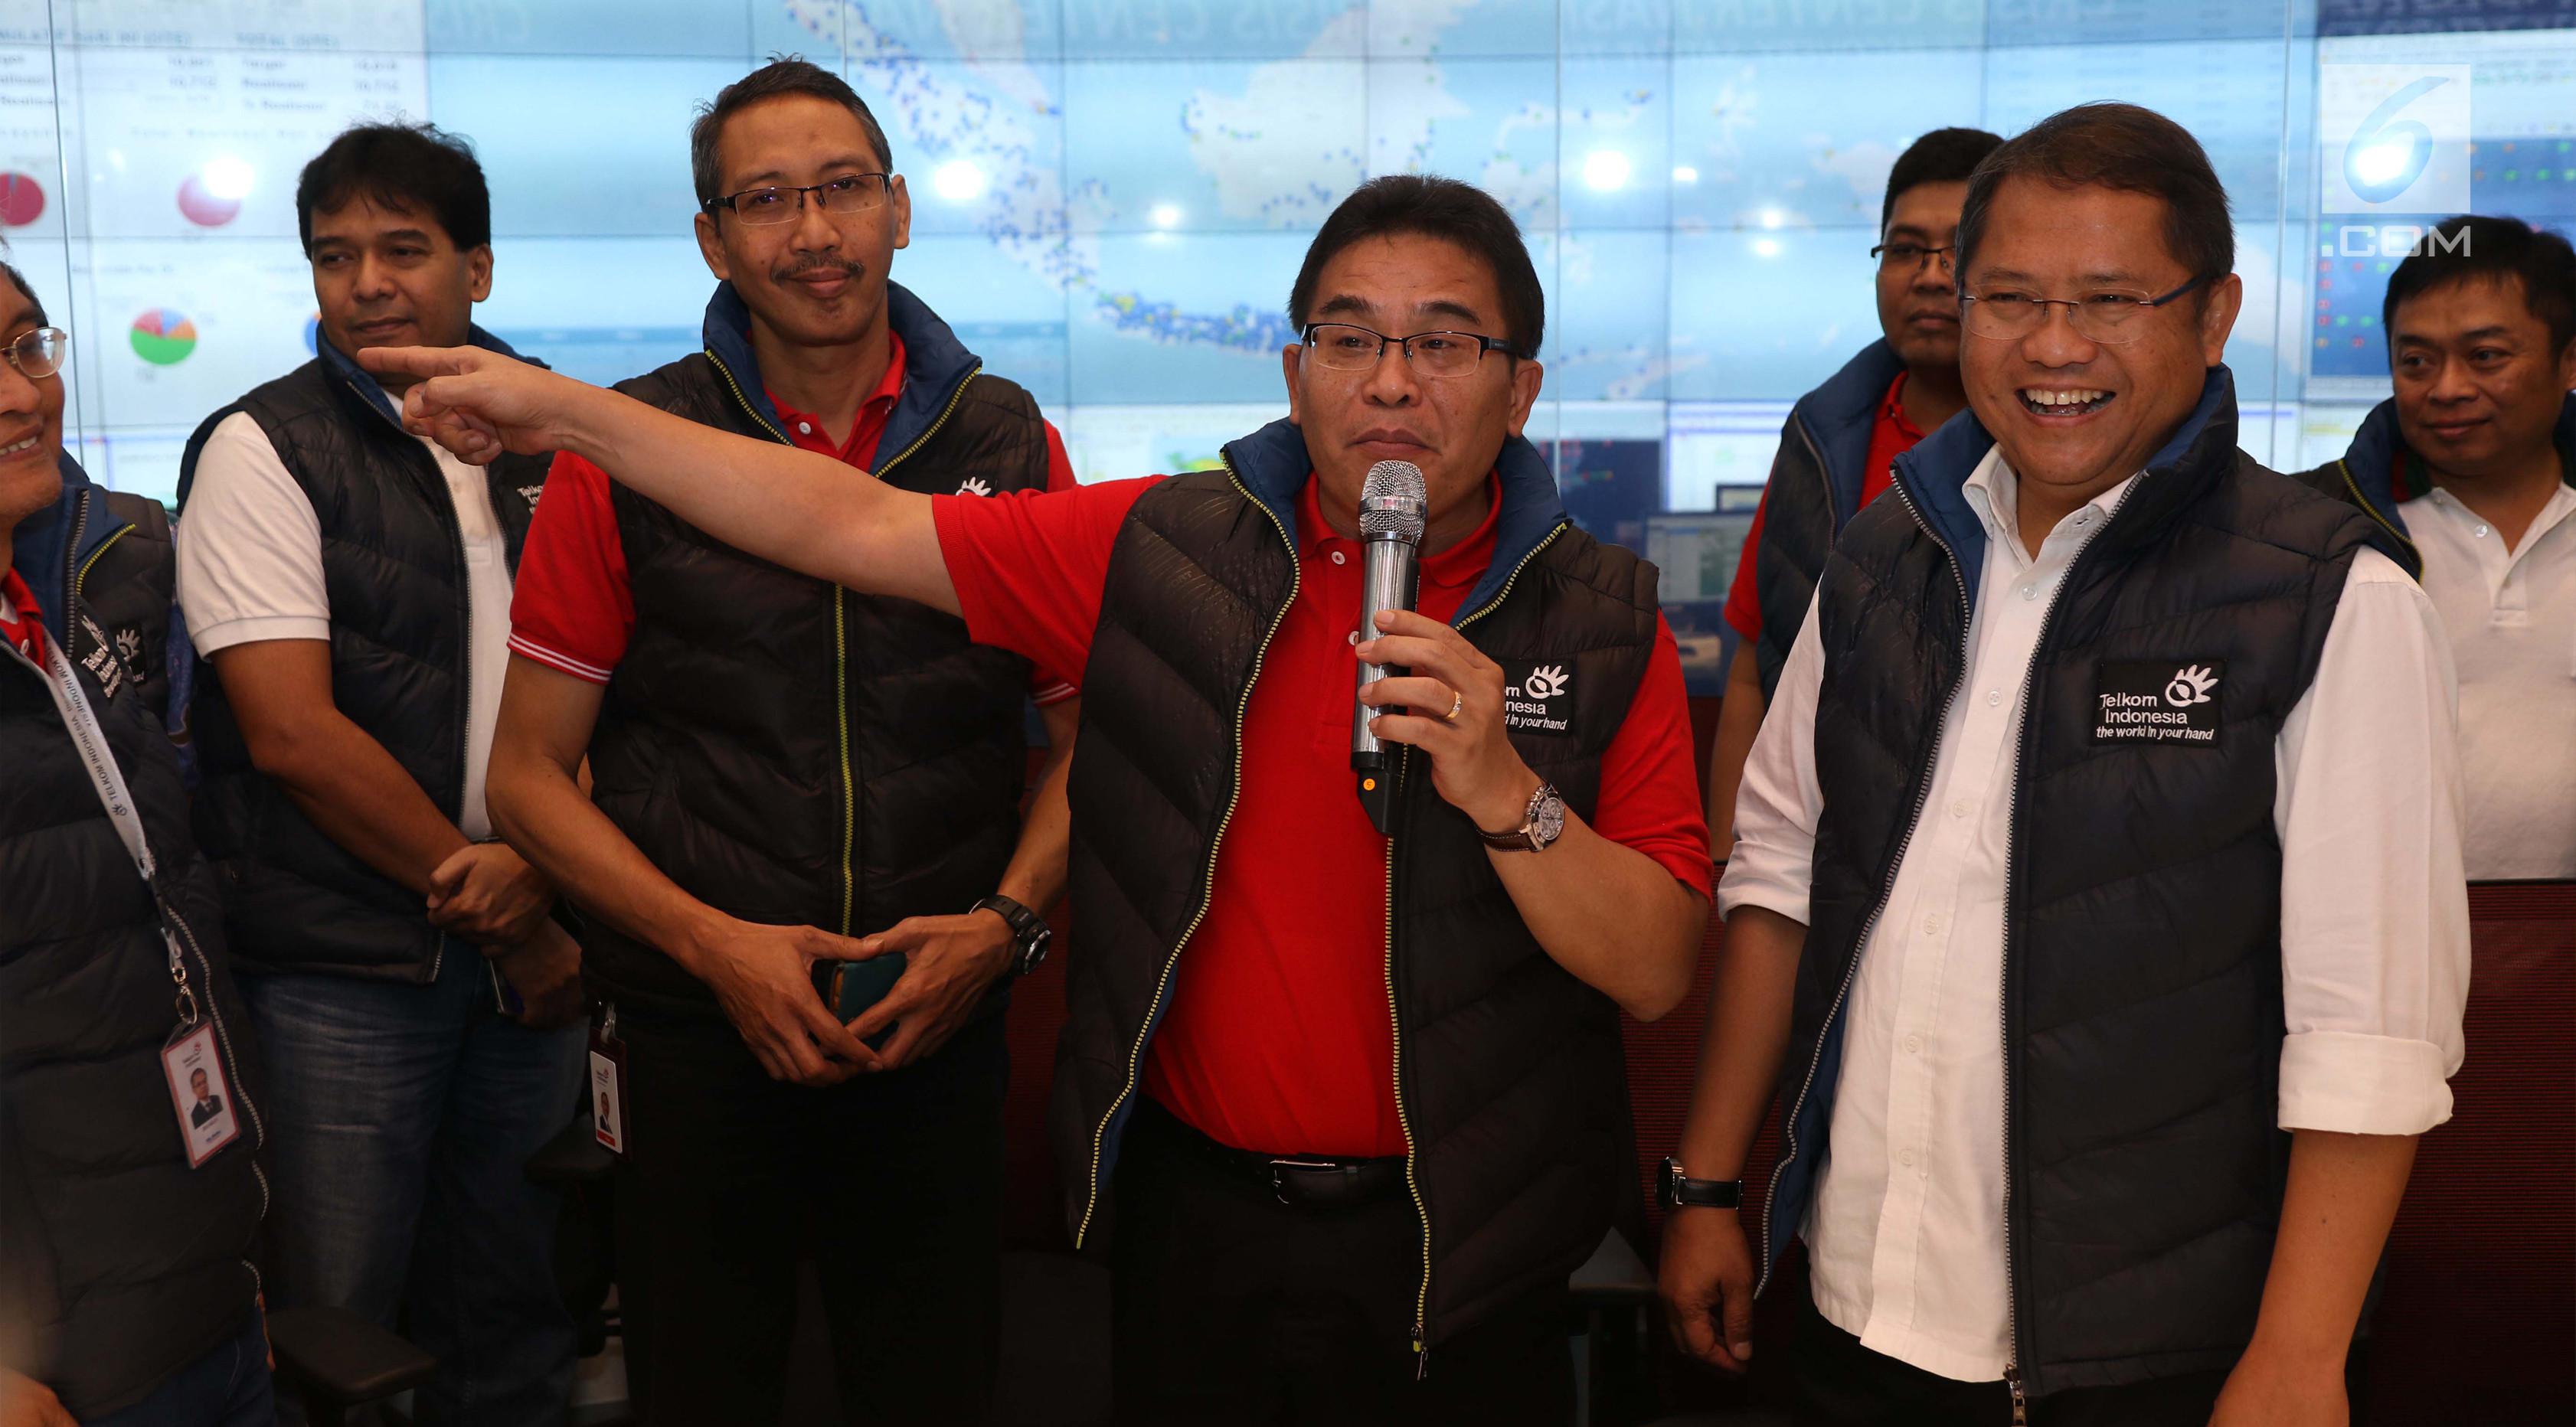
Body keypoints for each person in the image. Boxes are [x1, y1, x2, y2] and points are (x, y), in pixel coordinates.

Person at [367, 171, 1713, 1425]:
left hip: (1465, 1242)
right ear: (1295, 373)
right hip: (1197, 1222)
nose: (1392, 381)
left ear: (1520, 390)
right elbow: (847, 523)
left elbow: (1656, 968)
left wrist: (1505, 791)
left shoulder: (1602, 623)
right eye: (1349, 338)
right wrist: (569, 415)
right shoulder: (1167, 556)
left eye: (1443, 343)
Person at [1656, 103, 2470, 1425]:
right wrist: (1705, 1186)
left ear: (2213, 315)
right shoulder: (1880, 559)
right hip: (1852, 1306)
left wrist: (2296, 1356)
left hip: (2149, 1356)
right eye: (2010, 298)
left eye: (2108, 300)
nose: (2051, 346)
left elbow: (2368, 1032)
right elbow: (1780, 876)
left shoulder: (2328, 598)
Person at [489, 59, 1080, 1424]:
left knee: (933, 1386)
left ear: (899, 210)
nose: (813, 232)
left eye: (842, 189)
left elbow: (1084, 739)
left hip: (934, 1019)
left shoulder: (1005, 440)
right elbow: (523, 778)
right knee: (703, 1387)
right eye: (766, 200)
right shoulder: (625, 448)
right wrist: (713, 948)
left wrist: (1000, 928)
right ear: (712, 239)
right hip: (696, 1032)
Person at [171, 123, 583, 1425]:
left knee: (523, 1304)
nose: (367, 285)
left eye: (403, 250)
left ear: (478, 269)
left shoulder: (564, 431)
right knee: (341, 1329)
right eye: (335, 256)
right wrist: (500, 898)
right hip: (341, 965)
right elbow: (292, 734)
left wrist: (548, 879)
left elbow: (631, 683)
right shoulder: (263, 445)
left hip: (547, 938)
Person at [0, 266, 274, 1427]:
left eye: (26, 346)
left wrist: (232, 1259)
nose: (23, 394)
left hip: (186, 1277)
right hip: (51, 1353)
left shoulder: (59, 615)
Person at [1706, 126, 2001, 855]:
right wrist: (1725, 865)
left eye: (1960, 250)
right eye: (1905, 249)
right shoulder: (1821, 436)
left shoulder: (2059, 448)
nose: (1929, 276)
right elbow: (1754, 671)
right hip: (1814, 852)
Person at [2293, 214, 2576, 880]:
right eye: (2416, 361)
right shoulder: (2310, 528)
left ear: (2569, 361)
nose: (2447, 389)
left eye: (2486, 356)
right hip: (2378, 920)